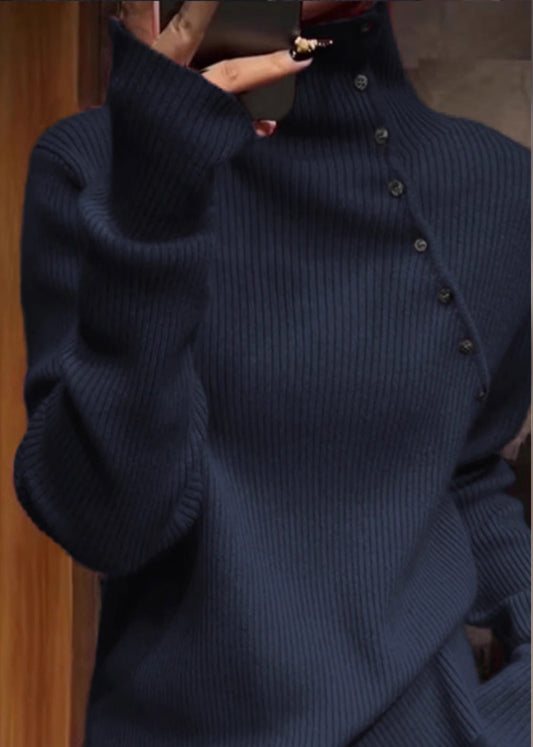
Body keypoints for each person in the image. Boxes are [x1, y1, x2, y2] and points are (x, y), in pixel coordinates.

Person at [13, 1, 531, 745]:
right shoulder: (96, 163)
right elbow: (108, 524)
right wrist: (156, 189)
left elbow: (464, 471)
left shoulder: (497, 185)